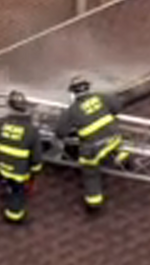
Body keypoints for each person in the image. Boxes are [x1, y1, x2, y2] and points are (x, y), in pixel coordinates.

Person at [54, 75, 132, 214]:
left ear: (73, 93)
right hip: (113, 140)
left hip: (93, 148)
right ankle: (123, 157)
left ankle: (94, 203)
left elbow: (60, 132)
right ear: (88, 88)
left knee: (90, 172)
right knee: (123, 137)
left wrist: (75, 125)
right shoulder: (102, 97)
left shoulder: (72, 111)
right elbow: (118, 106)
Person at [0, 91, 45, 224]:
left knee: (7, 183)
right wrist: (36, 170)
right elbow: (36, 155)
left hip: (2, 167)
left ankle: (7, 191)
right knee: (18, 192)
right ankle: (14, 215)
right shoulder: (31, 130)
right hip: (19, 171)